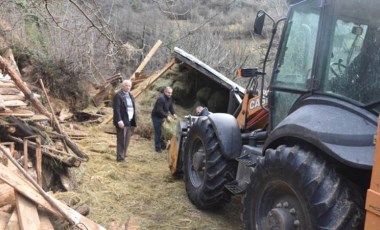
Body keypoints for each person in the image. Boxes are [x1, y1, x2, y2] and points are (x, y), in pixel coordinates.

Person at [113, 79, 137, 163]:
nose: (128, 87)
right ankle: (120, 158)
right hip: (122, 122)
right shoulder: (118, 95)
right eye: (126, 85)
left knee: (126, 141)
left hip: (129, 122)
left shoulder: (130, 95)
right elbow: (116, 109)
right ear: (122, 86)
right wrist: (119, 120)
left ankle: (123, 157)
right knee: (121, 140)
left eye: (129, 86)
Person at [151, 86, 177, 153]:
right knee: (158, 131)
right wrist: (167, 116)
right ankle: (157, 148)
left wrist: (174, 114)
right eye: (168, 93)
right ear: (165, 92)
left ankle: (162, 145)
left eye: (171, 93)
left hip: (162, 116)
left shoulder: (170, 98)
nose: (170, 94)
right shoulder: (161, 98)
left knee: (163, 131)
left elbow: (171, 107)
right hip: (156, 116)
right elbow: (159, 110)